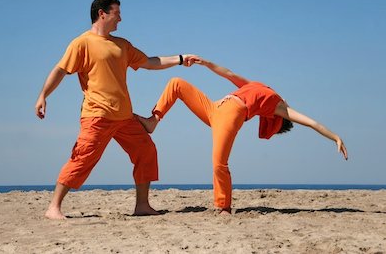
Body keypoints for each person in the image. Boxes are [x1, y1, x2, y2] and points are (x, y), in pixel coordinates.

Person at [35, 0, 200, 219]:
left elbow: (150, 62)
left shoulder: (121, 45)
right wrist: (43, 95)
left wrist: (180, 59)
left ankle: (142, 205)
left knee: (146, 151)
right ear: (102, 13)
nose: (120, 19)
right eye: (116, 13)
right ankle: (53, 207)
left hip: (124, 117)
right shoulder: (81, 43)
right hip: (97, 114)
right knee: (82, 158)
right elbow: (61, 70)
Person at [137, 58, 348, 214]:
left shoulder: (280, 106)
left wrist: (335, 137)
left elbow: (311, 122)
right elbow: (228, 73)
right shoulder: (257, 85)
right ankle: (153, 121)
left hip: (230, 117)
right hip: (214, 108)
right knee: (176, 82)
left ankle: (224, 207)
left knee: (219, 163)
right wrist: (204, 63)